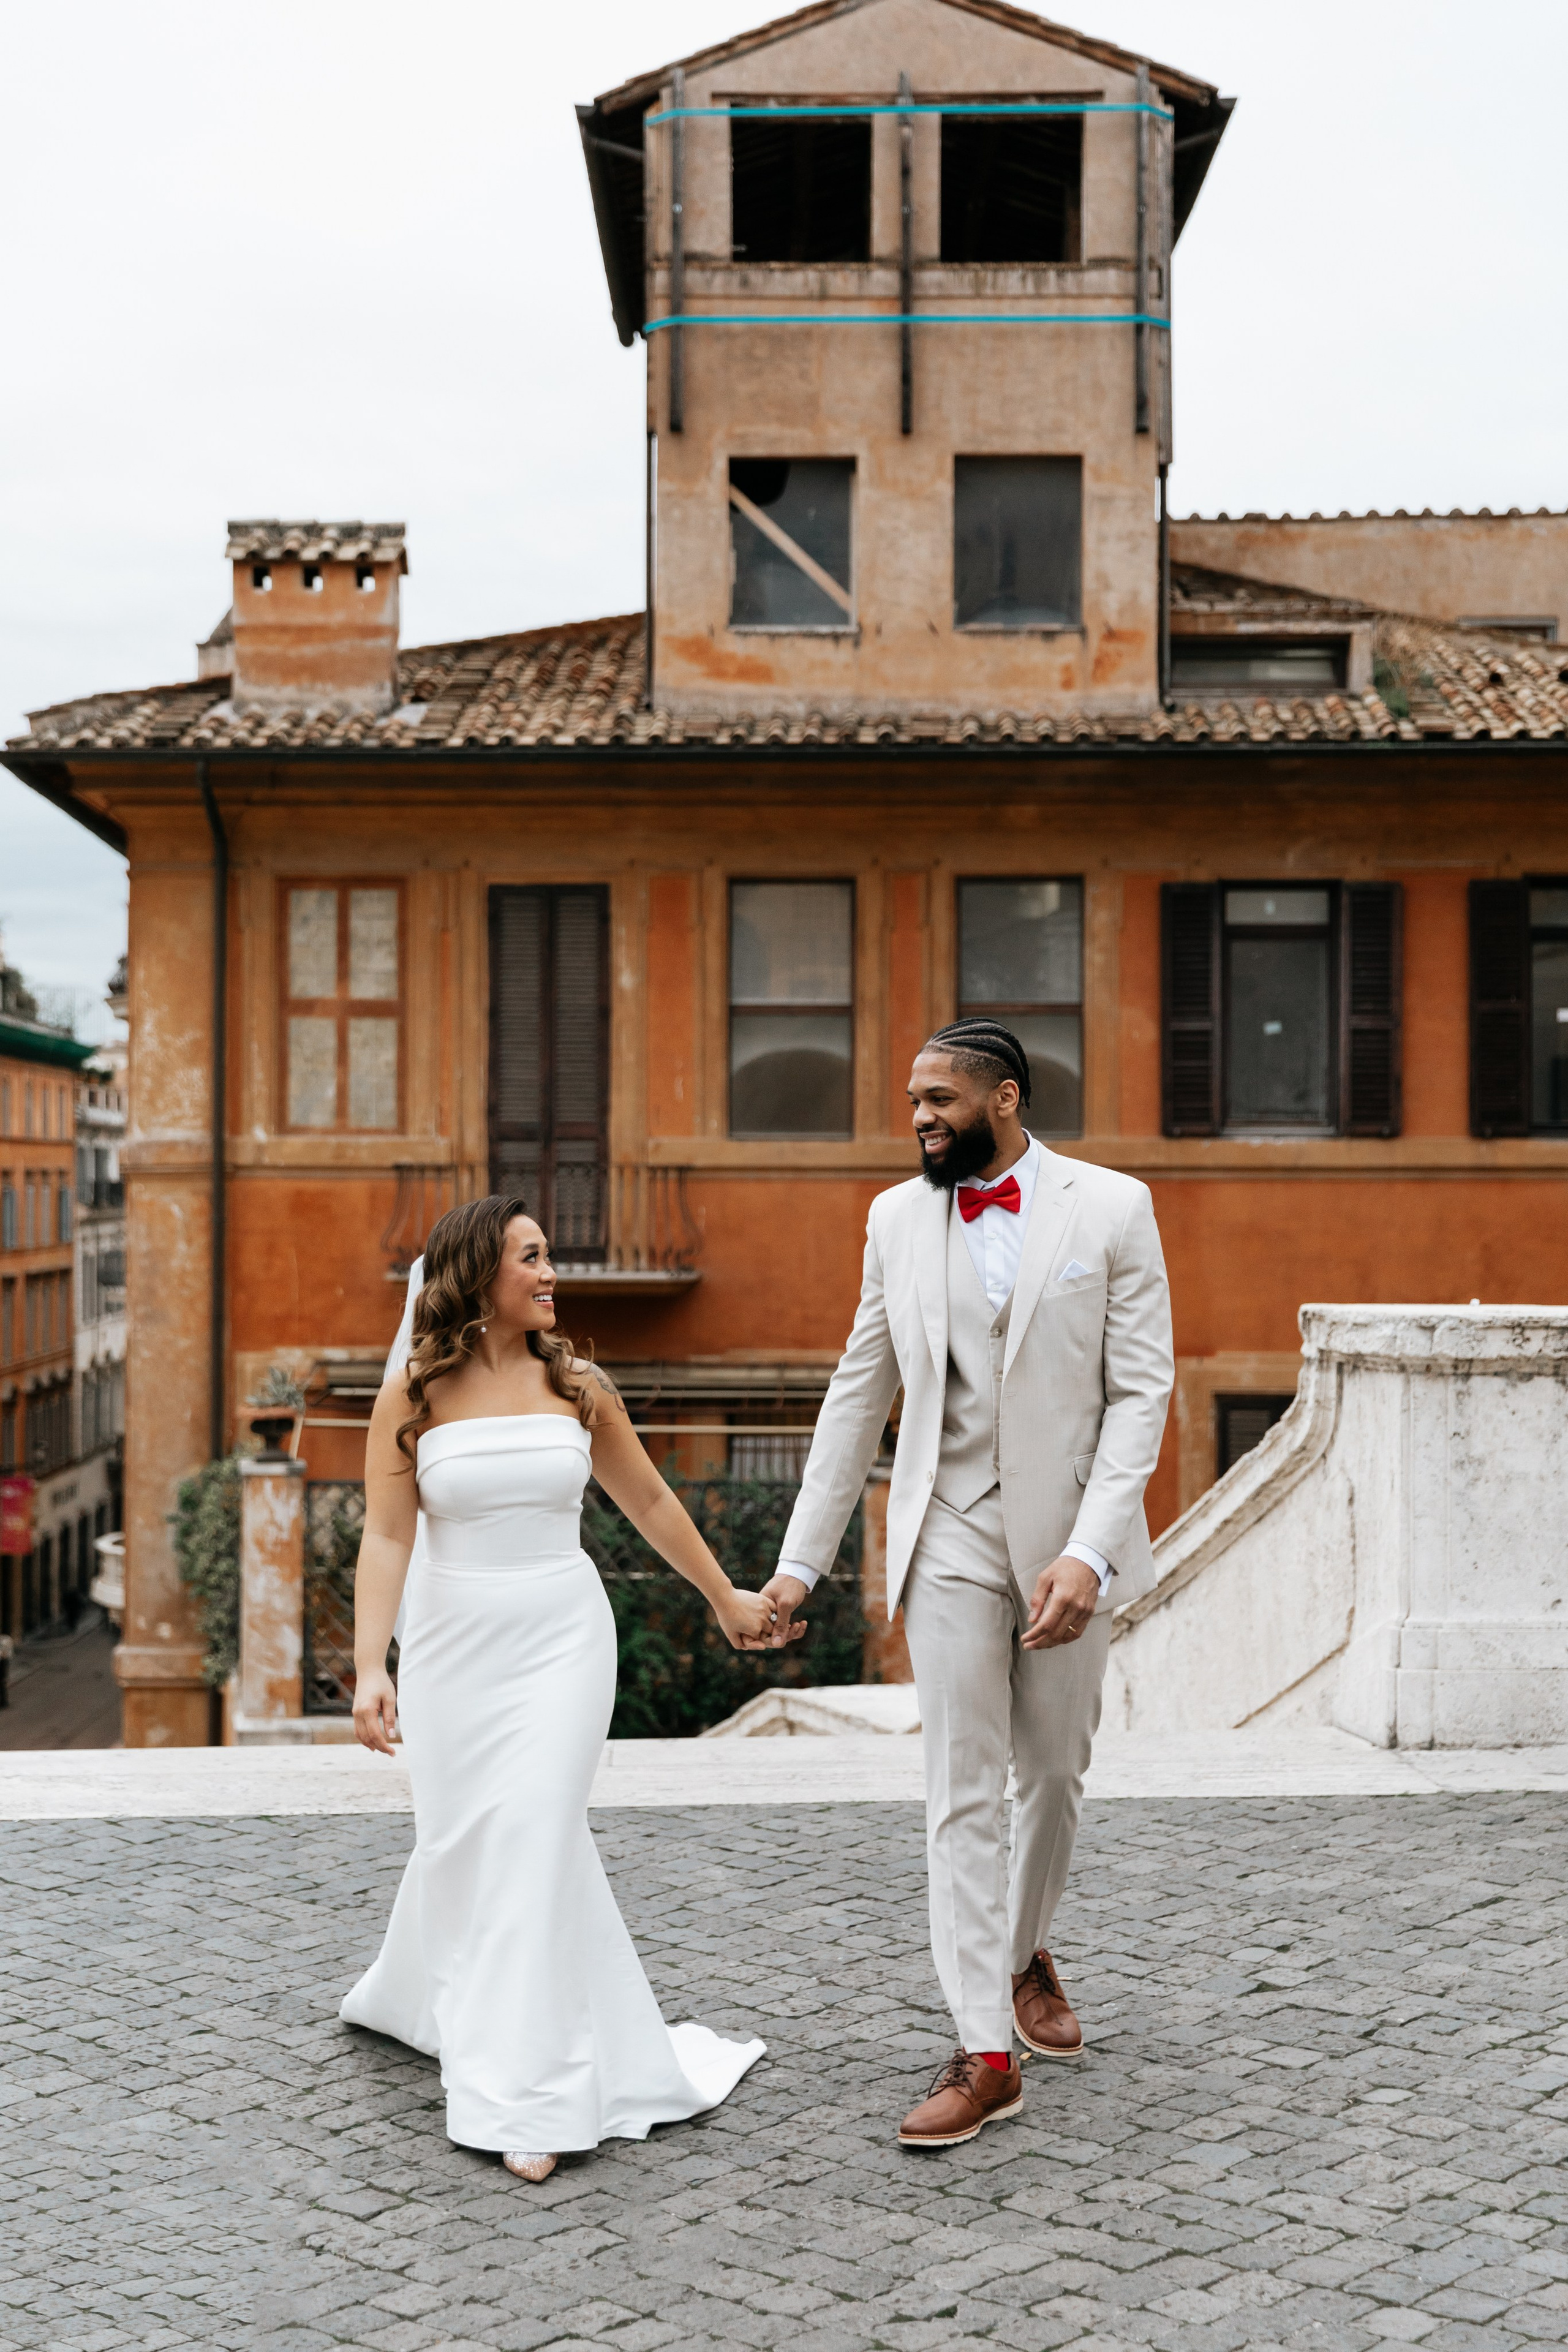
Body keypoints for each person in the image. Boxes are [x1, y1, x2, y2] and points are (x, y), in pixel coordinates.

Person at [760, 1019, 1173, 2149]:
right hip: (942, 1530)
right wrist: (802, 1563)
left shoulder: (1111, 1207)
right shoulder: (896, 1220)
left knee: (1052, 1770)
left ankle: (1023, 1942)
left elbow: (1142, 1394)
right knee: (959, 1788)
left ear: (1003, 1097)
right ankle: (985, 2050)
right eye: (912, 1101)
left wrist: (1089, 1551)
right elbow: (859, 1395)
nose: (921, 1118)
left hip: (1066, 1540)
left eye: (939, 1098)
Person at [342, 1193, 793, 2182]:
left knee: (537, 1835)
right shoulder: (413, 1396)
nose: (552, 1276)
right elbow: (387, 1537)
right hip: (456, 1648)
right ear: (476, 1275)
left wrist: (724, 1596)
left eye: (550, 1256)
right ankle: (429, 1997)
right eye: (532, 1259)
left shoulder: (580, 1385)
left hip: (562, 1640)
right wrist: (374, 1664)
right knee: (470, 1844)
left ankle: (527, 2096)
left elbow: (648, 1498)